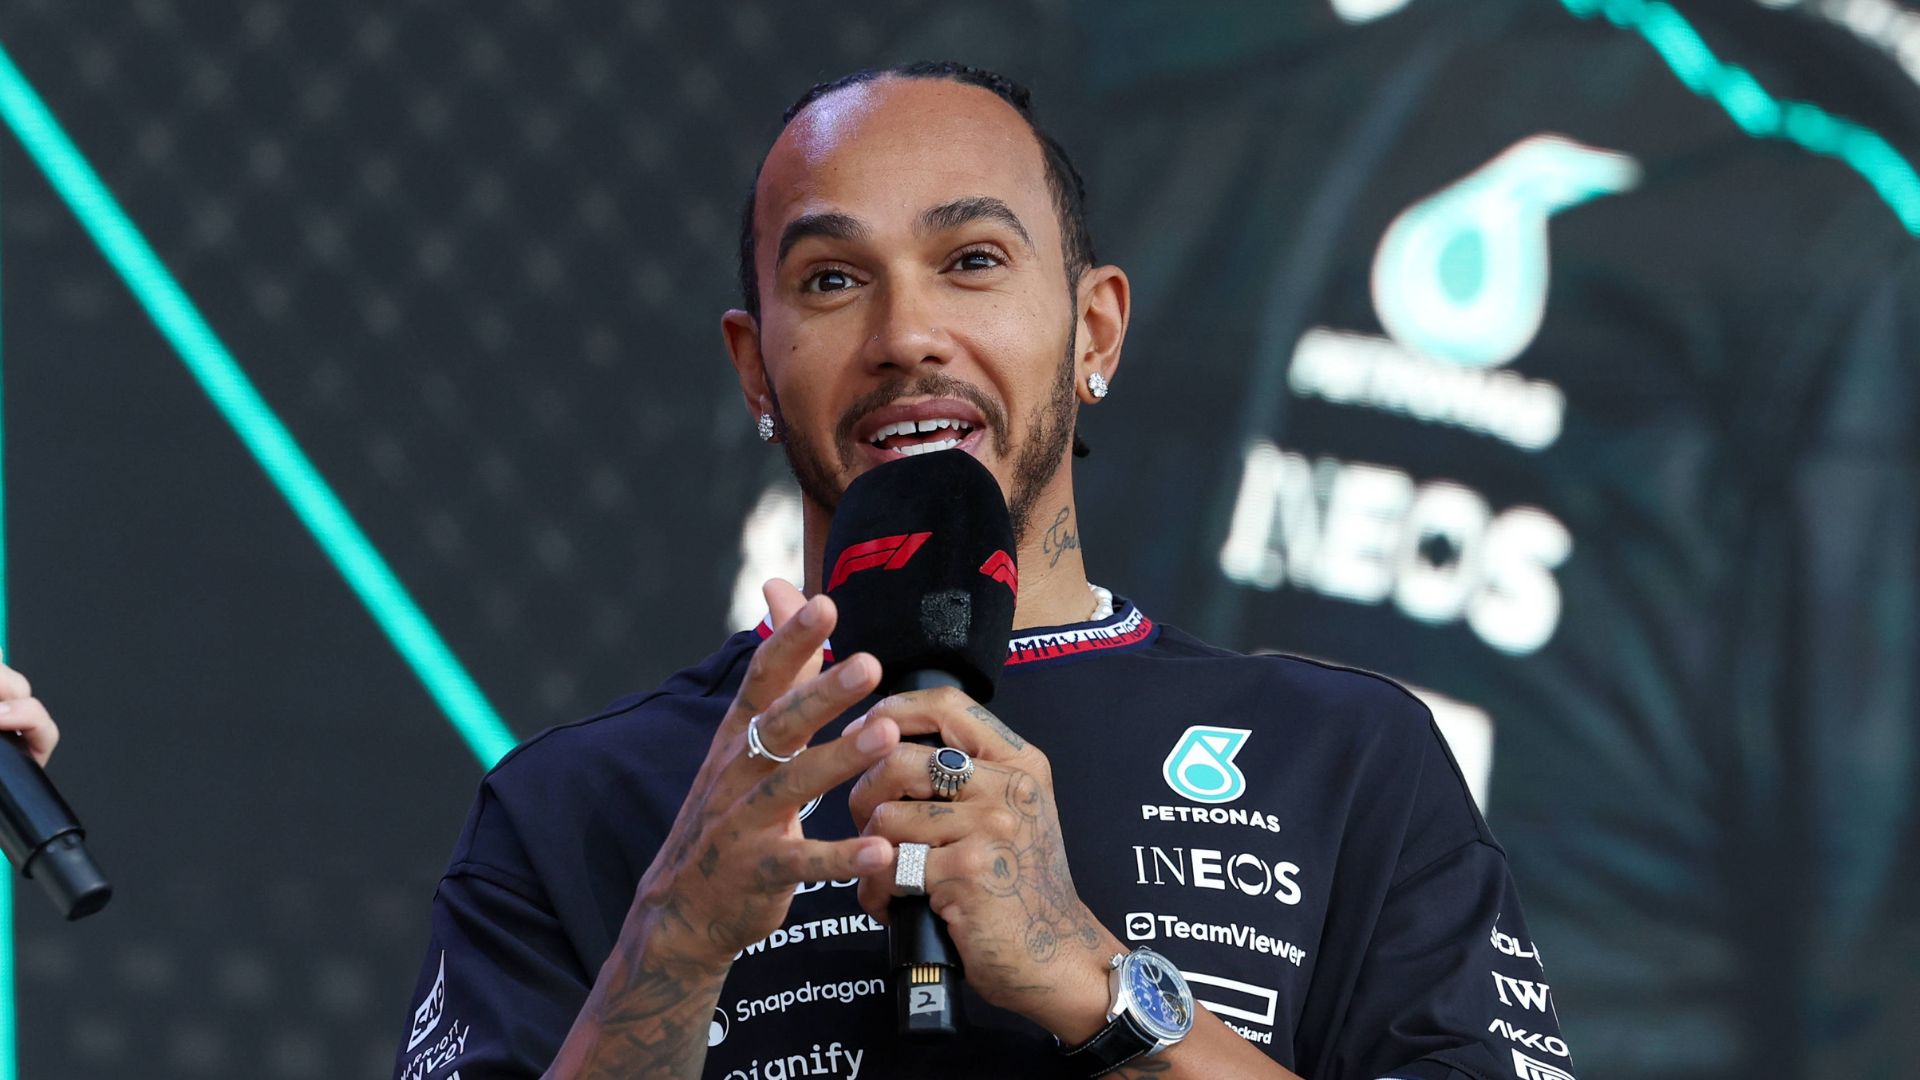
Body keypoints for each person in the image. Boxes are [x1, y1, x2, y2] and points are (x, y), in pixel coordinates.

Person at [393, 63, 1572, 1080]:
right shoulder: (574, 807)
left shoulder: (1349, 758)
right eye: (831, 281)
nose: (906, 333)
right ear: (755, 368)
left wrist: (1094, 978)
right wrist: (676, 936)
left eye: (971, 260)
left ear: (1094, 332)